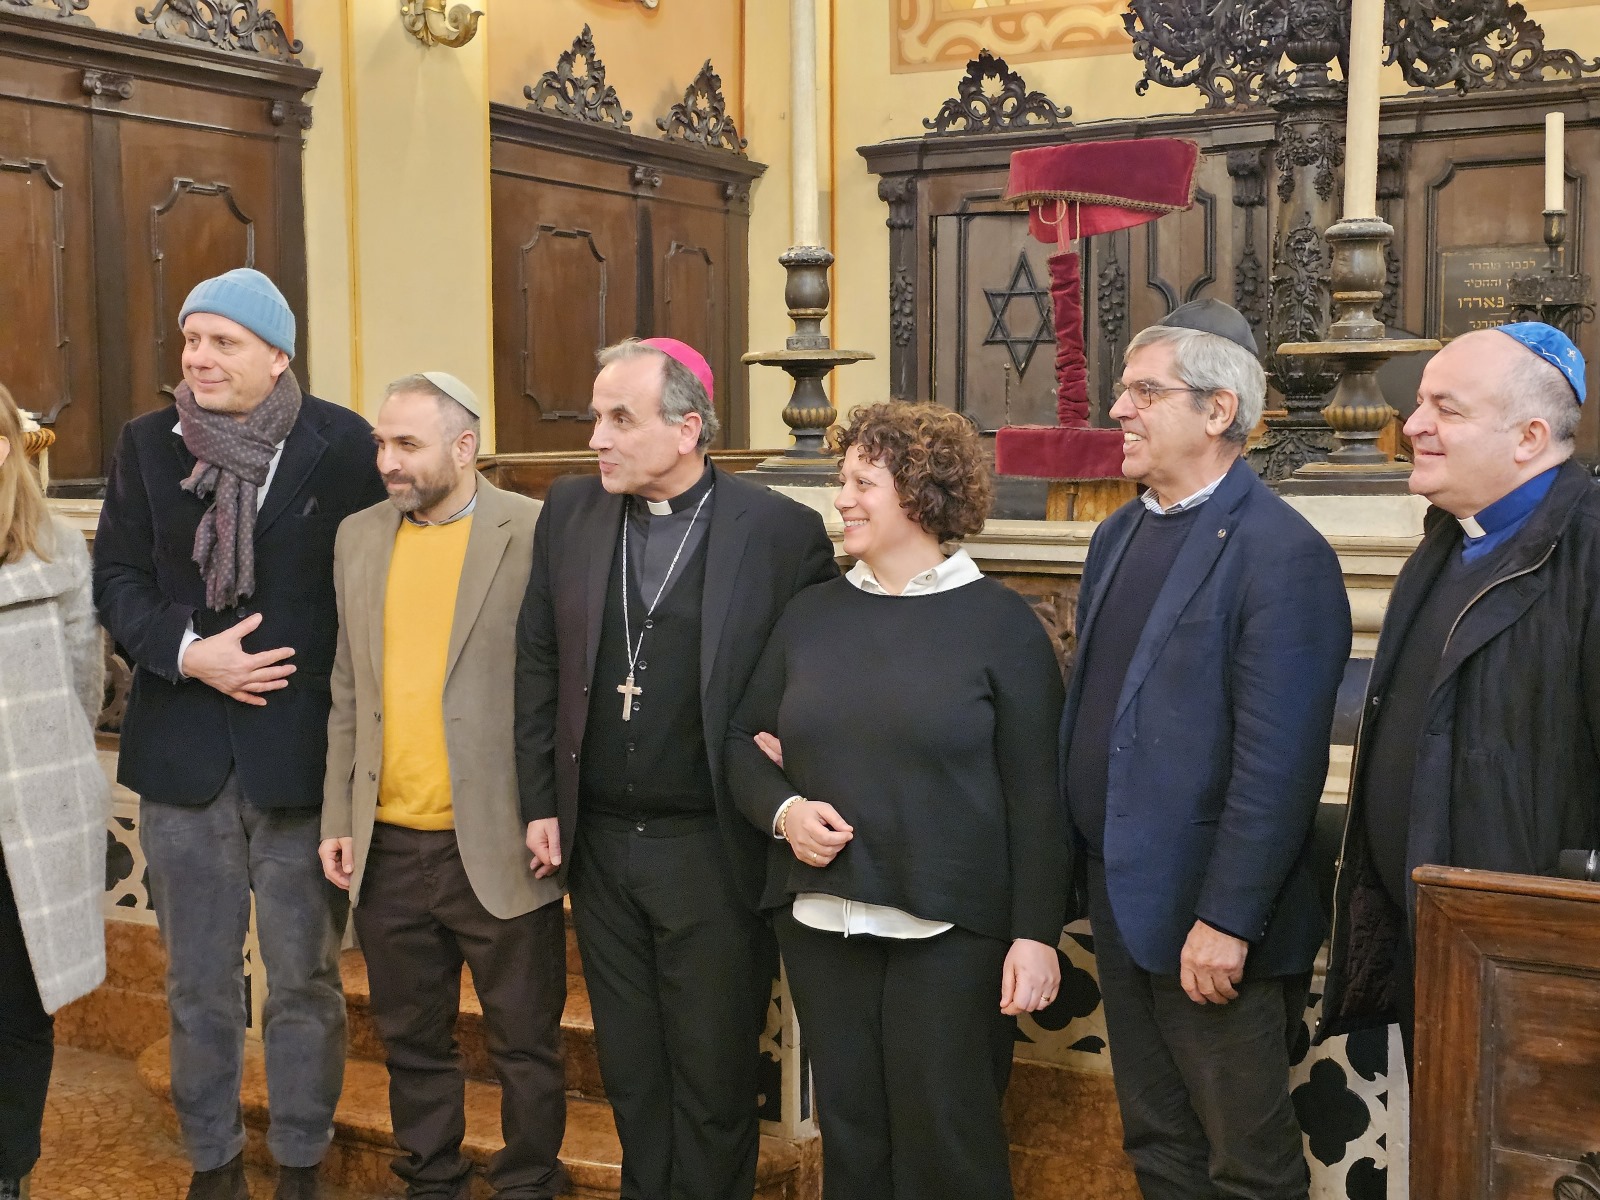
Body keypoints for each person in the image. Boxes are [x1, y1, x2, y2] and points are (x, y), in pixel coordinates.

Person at [514, 338, 837, 1200]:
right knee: (631, 1072)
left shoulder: (779, 532)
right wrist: (540, 800)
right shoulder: (571, 511)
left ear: (687, 429)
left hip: (711, 851)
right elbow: (538, 662)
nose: (596, 438)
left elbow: (812, 669)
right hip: (601, 847)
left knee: (712, 1080)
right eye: (596, 417)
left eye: (620, 419)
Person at [724, 402, 1068, 1200]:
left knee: (949, 1145)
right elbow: (740, 741)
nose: (841, 498)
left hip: (952, 933)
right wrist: (785, 813)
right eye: (842, 480)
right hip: (822, 922)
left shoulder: (1001, 625)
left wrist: (1035, 936)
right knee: (853, 1142)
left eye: (862, 483)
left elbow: (1039, 800)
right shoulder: (811, 614)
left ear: (920, 493)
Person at [93, 268, 385, 1200]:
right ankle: (213, 1165)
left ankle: (300, 1163)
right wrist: (190, 652)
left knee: (304, 982)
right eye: (191, 340)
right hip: (183, 762)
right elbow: (117, 581)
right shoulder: (149, 444)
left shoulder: (346, 447)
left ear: (277, 356)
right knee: (198, 984)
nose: (200, 357)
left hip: (301, 763)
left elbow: (372, 588)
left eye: (223, 341)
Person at [1062, 299, 1351, 1200]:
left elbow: (1279, 767)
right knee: (1159, 1145)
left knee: (1247, 1167)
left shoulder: (1281, 553)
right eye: (1123, 390)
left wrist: (1227, 920)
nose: (1119, 409)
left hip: (1209, 921)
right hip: (1122, 897)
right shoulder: (1118, 533)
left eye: (1144, 392)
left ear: (1218, 410)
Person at [1319, 322, 1599, 1066]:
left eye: (1446, 408)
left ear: (1529, 437)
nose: (1412, 424)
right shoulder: (1446, 539)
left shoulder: (1589, 555)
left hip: (1540, 972)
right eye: (1419, 403)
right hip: (1441, 947)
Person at [320, 372, 565, 1200]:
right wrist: (339, 815)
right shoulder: (358, 536)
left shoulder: (532, 530)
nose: (386, 461)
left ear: (465, 447)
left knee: (525, 1043)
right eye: (380, 443)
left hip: (498, 838)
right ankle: (433, 1181)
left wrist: (551, 812)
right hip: (388, 844)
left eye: (406, 444)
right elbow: (347, 687)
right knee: (412, 1042)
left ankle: (529, 1184)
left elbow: (561, 685)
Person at [0, 386, 108, 1200]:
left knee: (18, 1008)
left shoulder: (57, 549)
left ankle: (10, 1171)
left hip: (32, 818)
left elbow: (84, 683)